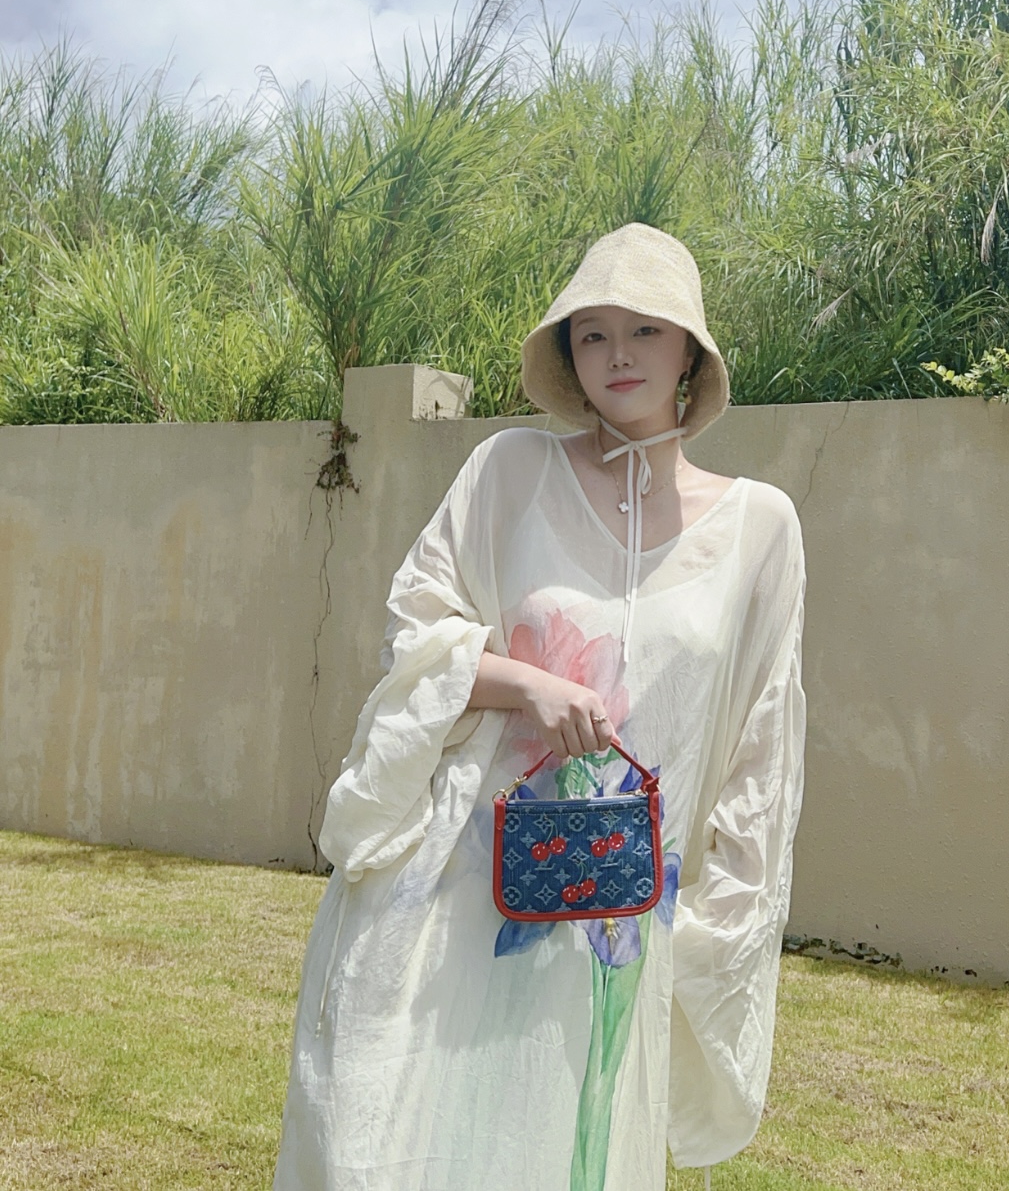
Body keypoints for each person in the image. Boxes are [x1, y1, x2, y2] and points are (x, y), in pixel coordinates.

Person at [272, 222, 807, 1191]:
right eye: (591, 333)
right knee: (392, 1139)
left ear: (690, 352)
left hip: (622, 919)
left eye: (644, 330)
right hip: (465, 890)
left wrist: (718, 922)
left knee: (571, 1148)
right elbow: (413, 635)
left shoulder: (759, 526)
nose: (617, 354)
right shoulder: (508, 470)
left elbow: (760, 745)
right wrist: (529, 682)